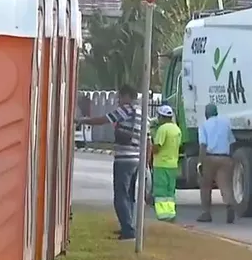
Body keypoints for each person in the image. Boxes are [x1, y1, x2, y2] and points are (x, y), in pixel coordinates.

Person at [77, 84, 144, 240]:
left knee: (120, 195)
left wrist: (81, 120)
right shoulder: (142, 113)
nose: (118, 100)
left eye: (120, 97)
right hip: (136, 158)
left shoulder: (126, 110)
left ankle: (128, 229)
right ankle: (129, 225)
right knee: (129, 195)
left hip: (124, 158)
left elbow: (104, 119)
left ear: (127, 96)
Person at [197, 103, 237, 223]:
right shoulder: (225, 124)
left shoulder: (204, 125)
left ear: (206, 114)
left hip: (210, 158)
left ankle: (206, 213)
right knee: (226, 185)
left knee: (205, 186)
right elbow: (232, 142)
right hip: (225, 158)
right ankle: (229, 204)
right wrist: (231, 158)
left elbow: (203, 145)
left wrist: (200, 162)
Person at [151, 105, 181, 221]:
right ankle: (171, 213)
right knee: (170, 192)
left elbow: (157, 147)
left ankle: (162, 214)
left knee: (160, 192)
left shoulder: (162, 129)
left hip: (161, 164)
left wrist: (151, 148)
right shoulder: (177, 129)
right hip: (173, 165)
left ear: (161, 117)